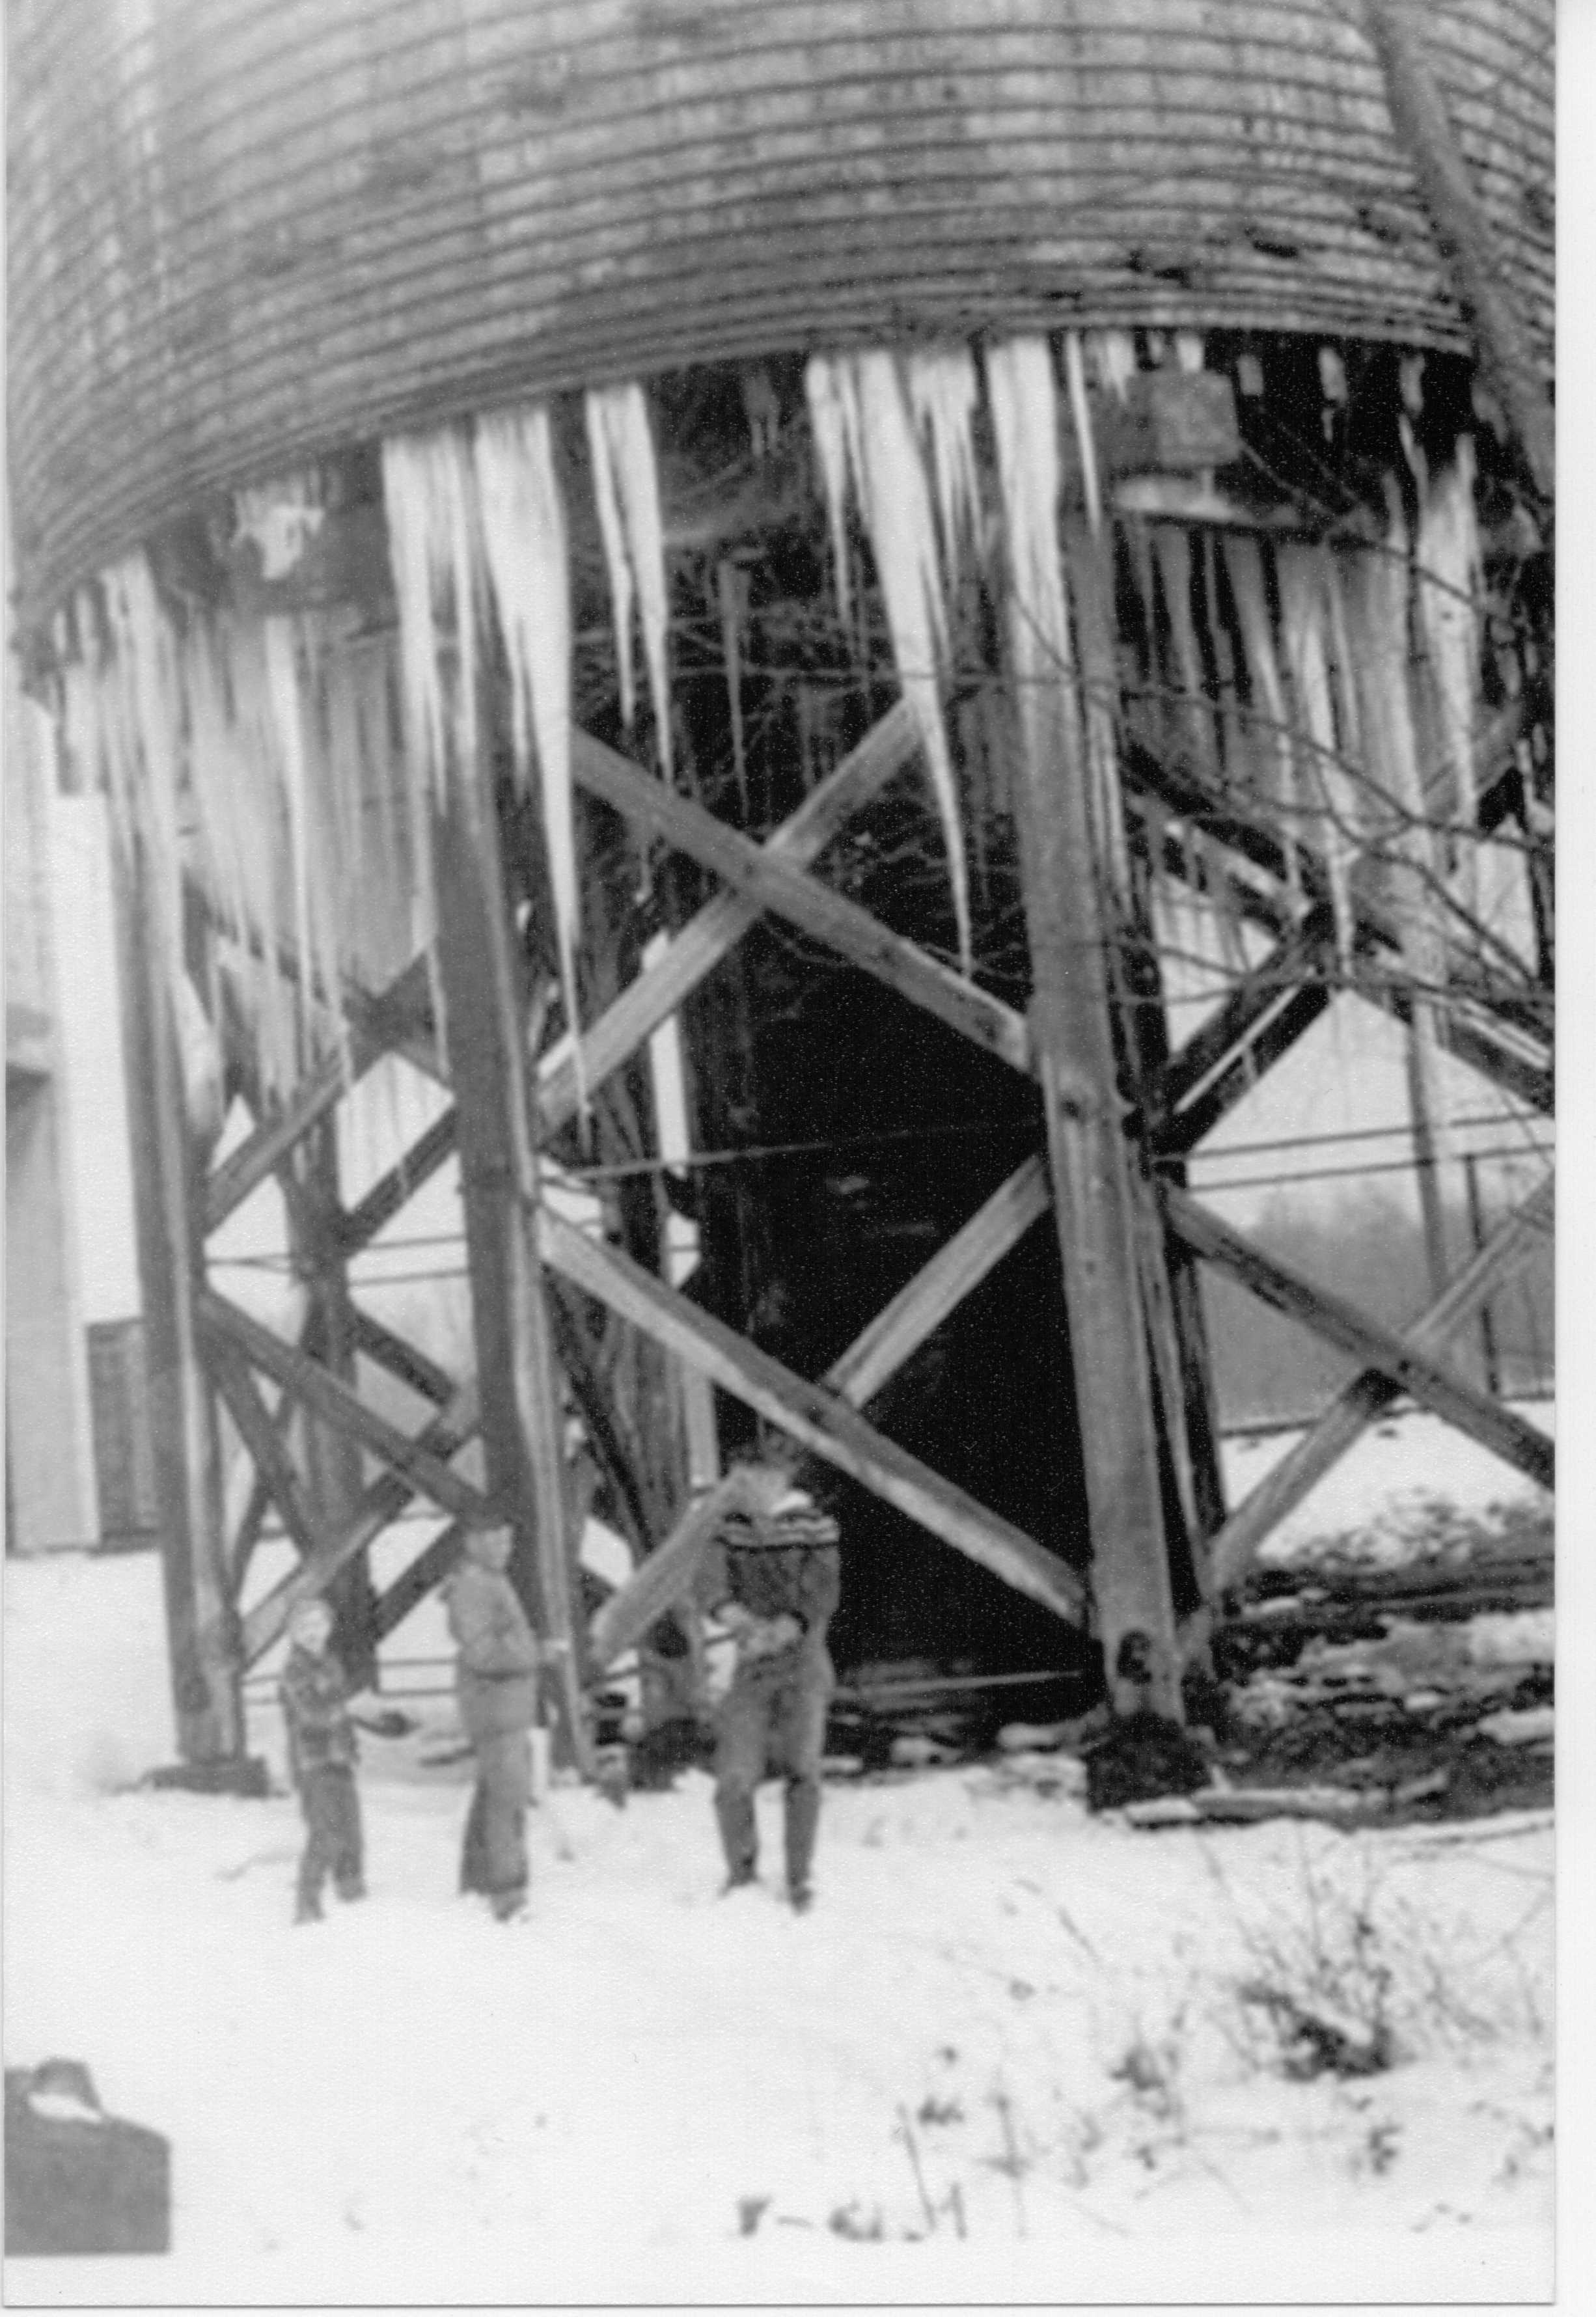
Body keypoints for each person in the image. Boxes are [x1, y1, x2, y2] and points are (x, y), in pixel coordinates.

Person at [693, 1448, 841, 1912]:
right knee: (735, 1774)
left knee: (803, 1770)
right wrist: (734, 1617)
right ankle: (741, 1872)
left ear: (778, 1480)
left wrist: (787, 1627)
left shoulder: (814, 1526)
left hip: (804, 1662)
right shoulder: (730, 1529)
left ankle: (799, 1878)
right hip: (752, 1664)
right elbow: (711, 1587)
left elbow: (822, 1592)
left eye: (752, 1482)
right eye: (738, 1482)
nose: (743, 1491)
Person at [446, 1523, 541, 1921]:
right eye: (493, 1539)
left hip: (505, 1707)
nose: (504, 1547)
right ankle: (508, 1893)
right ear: (471, 1541)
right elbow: (481, 1653)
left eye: (508, 1538)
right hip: (496, 1709)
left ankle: (477, 1880)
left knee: (494, 1791)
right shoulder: (474, 1586)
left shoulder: (489, 1580)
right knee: (508, 1798)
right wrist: (537, 1653)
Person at [279, 1595, 366, 1925]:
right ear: (292, 1633)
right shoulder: (294, 1671)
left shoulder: (331, 1662)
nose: (312, 1632)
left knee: (350, 1825)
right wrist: (344, 1712)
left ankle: (352, 1887)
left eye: (318, 1624)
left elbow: (339, 1708)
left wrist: (352, 1741)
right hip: (313, 1761)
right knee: (325, 1830)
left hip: (340, 1757)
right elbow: (312, 1713)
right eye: (303, 1627)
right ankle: (308, 1899)